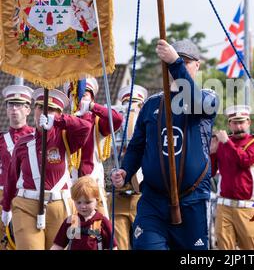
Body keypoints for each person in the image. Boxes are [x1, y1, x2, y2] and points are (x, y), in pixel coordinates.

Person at [111, 39, 219, 250]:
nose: (175, 66)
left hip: (192, 200)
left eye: (185, 61)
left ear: (197, 65)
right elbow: (137, 146)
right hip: (153, 201)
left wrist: (175, 62)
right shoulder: (151, 104)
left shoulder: (207, 98)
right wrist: (125, 170)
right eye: (171, 61)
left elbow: (196, 102)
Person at [1, 88, 91, 250]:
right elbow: (12, 178)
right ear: (34, 110)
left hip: (60, 206)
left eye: (50, 109)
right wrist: (6, 207)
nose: (44, 112)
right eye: (40, 107)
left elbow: (85, 127)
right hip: (25, 205)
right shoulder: (23, 142)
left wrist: (58, 120)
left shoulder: (65, 138)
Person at [64, 77, 123, 219]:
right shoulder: (64, 123)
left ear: (92, 97)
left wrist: (92, 107)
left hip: (94, 187)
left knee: (100, 233)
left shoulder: (98, 122)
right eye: (73, 96)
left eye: (83, 95)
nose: (78, 99)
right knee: (74, 234)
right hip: (71, 188)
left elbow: (117, 120)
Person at [210, 105, 254, 250]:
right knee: (224, 248)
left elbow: (244, 161)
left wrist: (227, 142)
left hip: (247, 207)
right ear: (229, 124)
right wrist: (213, 152)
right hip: (224, 205)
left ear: (249, 122)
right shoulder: (223, 143)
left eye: (242, 122)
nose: (239, 126)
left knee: (249, 249)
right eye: (235, 122)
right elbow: (211, 172)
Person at [108, 84, 148, 250]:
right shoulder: (113, 128)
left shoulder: (148, 128)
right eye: (127, 105)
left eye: (136, 105)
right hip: (118, 198)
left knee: (144, 244)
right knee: (120, 245)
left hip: (142, 197)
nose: (130, 110)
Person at [0, 85, 34, 249]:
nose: (14, 109)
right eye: (10, 104)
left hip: (27, 196)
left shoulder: (37, 138)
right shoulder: (1, 140)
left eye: (19, 105)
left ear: (28, 110)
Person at [51, 176, 117, 250]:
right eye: (78, 202)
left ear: (97, 199)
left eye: (87, 202)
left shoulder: (102, 222)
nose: (83, 206)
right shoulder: (71, 221)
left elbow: (113, 247)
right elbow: (58, 246)